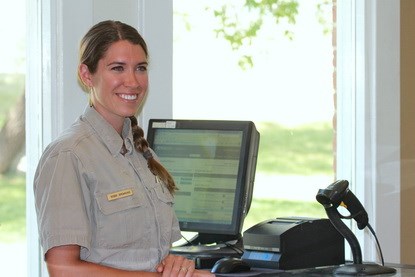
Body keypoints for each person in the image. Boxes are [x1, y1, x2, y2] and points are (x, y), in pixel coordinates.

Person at [34, 20, 214, 277]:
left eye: (140, 68)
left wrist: (173, 265)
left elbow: (139, 255)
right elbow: (63, 269)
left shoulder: (140, 153)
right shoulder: (68, 155)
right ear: (87, 75)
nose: (133, 81)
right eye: (117, 68)